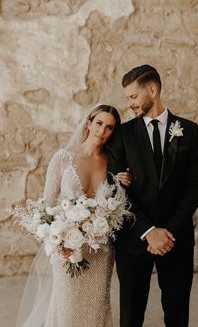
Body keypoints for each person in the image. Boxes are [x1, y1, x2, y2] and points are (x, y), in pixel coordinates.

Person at [107, 65, 198, 327]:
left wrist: (167, 232)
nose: (129, 104)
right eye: (127, 98)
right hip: (134, 238)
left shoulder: (190, 131)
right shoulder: (122, 135)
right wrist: (149, 230)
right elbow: (114, 189)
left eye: (133, 97)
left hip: (176, 239)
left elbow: (195, 187)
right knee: (131, 316)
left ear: (152, 90)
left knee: (176, 312)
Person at [16, 104, 131, 327]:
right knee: (67, 309)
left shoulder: (113, 161)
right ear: (89, 123)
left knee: (97, 308)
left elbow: (119, 204)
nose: (102, 131)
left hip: (100, 250)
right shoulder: (63, 158)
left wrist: (127, 182)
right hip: (67, 250)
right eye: (99, 123)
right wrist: (60, 243)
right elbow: (47, 205)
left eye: (109, 128)